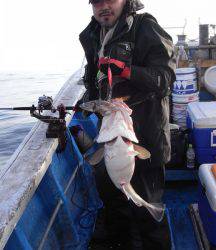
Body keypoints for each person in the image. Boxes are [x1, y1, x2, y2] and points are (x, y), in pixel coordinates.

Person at [79, 0, 176, 249]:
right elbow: (94, 79)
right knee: (114, 206)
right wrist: (91, 101)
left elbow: (165, 79)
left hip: (145, 138)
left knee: (147, 214)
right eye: (97, 1)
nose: (104, 6)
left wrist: (125, 70)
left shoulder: (145, 28)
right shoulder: (91, 35)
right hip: (110, 135)